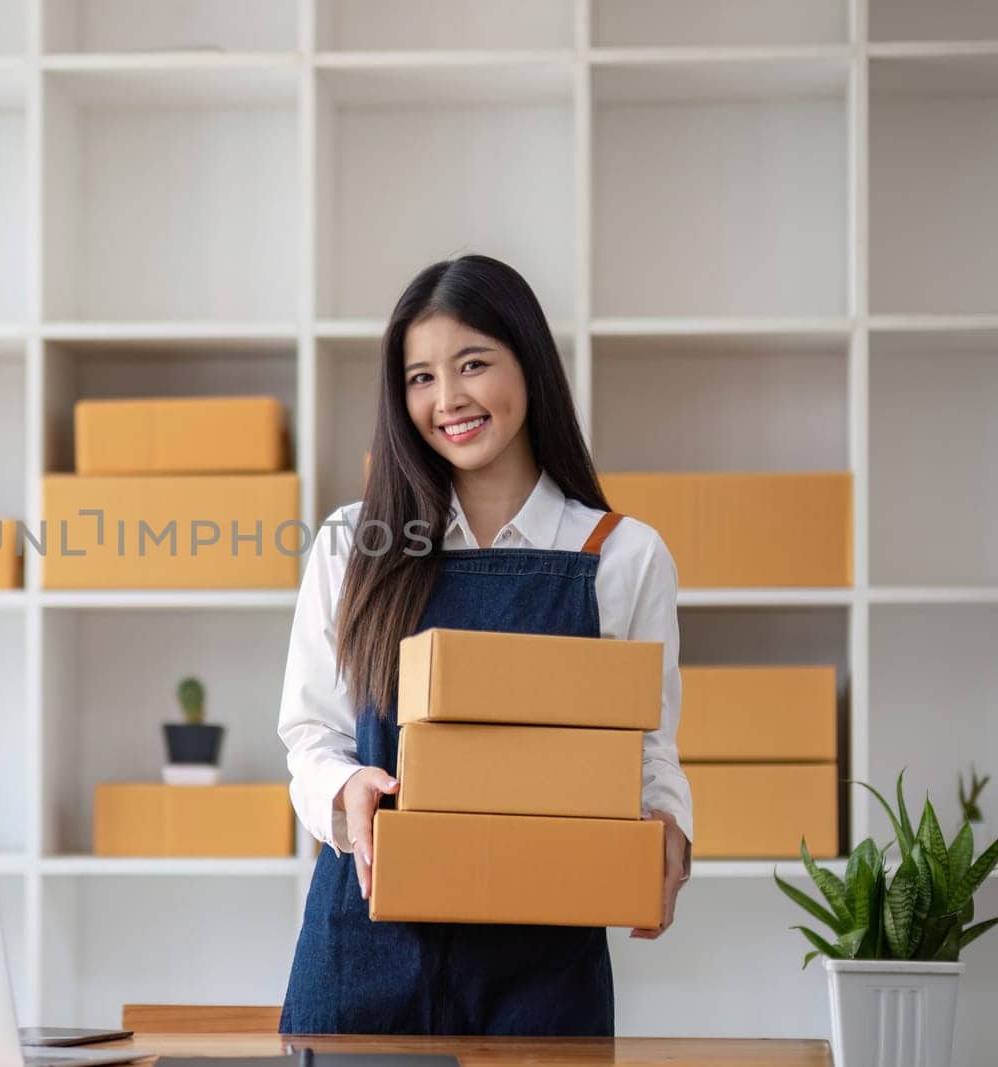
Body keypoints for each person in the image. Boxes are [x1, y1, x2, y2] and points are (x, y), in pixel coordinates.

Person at [276, 254, 693, 1036]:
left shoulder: (623, 555)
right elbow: (309, 736)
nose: (449, 399)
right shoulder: (352, 543)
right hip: (364, 951)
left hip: (544, 966)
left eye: (472, 364)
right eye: (421, 377)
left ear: (529, 364)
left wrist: (668, 826)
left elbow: (650, 752)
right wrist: (347, 793)